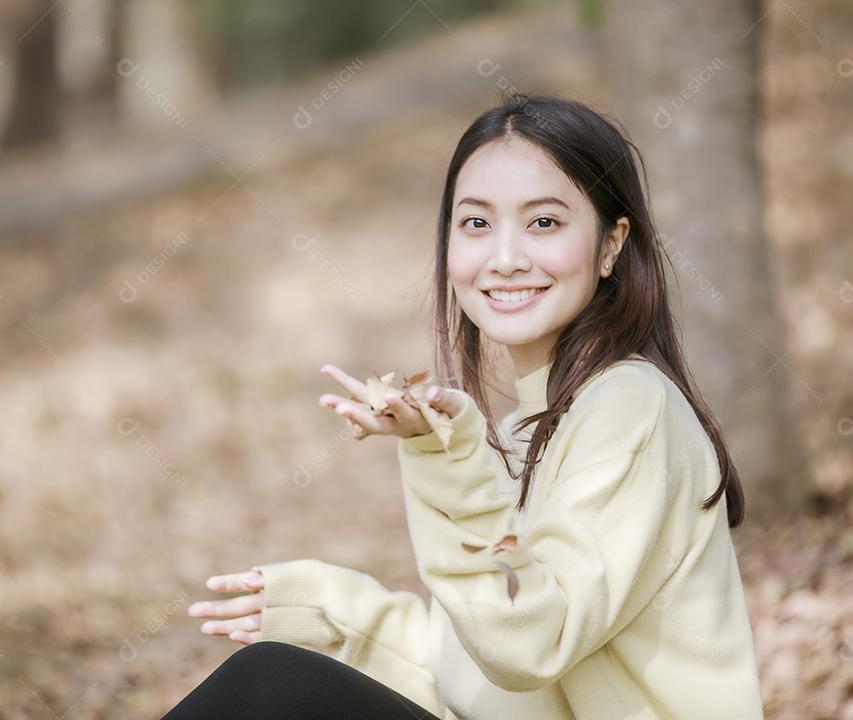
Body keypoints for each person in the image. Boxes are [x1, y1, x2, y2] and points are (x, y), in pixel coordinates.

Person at [164, 92, 765, 719]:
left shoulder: (629, 406)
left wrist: (440, 452)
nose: (505, 259)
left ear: (612, 244)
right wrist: (329, 611)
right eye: (477, 223)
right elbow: (478, 680)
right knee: (275, 682)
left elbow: (530, 641)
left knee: (269, 687)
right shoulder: (522, 430)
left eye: (544, 223)